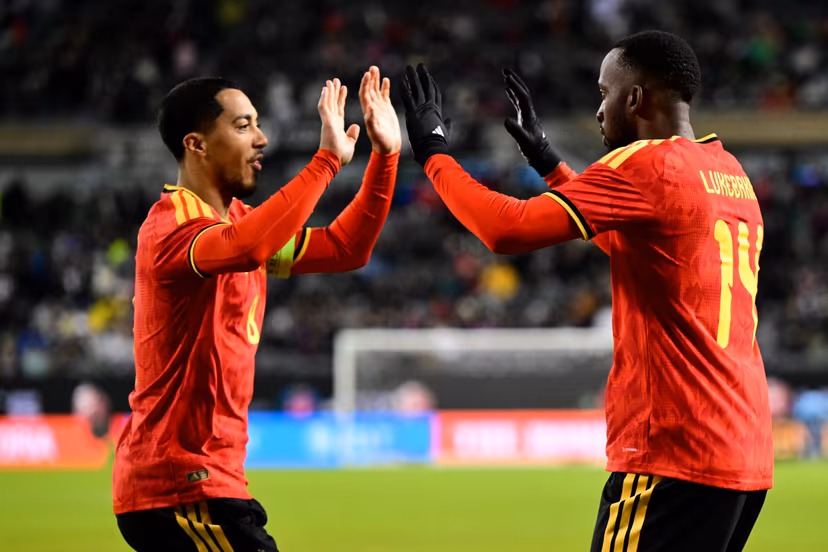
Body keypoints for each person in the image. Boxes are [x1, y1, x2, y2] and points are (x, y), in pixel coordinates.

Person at [401, 30, 772, 552]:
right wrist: (549, 163)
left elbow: (506, 230)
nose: (599, 110)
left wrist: (432, 150)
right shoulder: (730, 174)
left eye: (604, 93)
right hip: (742, 454)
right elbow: (638, 247)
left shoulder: (646, 165)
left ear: (636, 99)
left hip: (673, 451)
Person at [113, 66, 401, 551]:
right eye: (243, 125)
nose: (262, 138)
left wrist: (386, 156)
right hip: (180, 487)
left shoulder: (242, 224)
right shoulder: (171, 227)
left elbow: (345, 247)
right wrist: (327, 160)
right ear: (197, 144)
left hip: (208, 486)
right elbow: (244, 249)